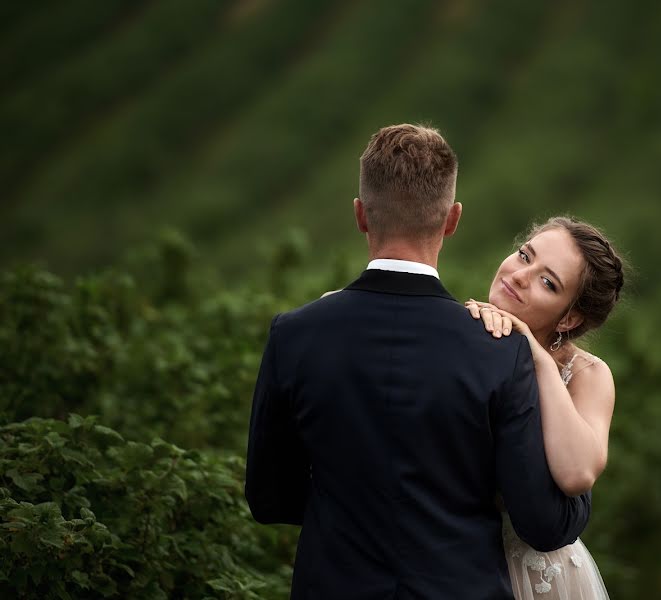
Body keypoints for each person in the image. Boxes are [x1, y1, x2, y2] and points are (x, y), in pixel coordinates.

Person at [244, 124, 591, 599]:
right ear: (452, 219)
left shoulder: (295, 335)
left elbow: (269, 498)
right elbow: (543, 524)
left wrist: (350, 505)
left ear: (361, 215)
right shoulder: (498, 349)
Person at [464, 216, 624, 599]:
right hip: (463, 561)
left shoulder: (587, 374)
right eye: (524, 256)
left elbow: (577, 472)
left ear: (568, 317)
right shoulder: (466, 330)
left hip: (541, 578)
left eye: (547, 282)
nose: (520, 275)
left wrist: (534, 354)